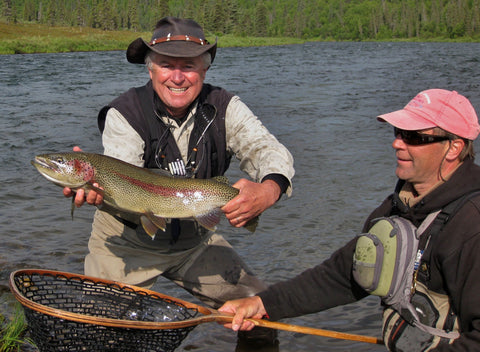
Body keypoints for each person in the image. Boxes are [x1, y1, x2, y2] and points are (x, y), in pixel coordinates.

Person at [63, 16, 294, 346]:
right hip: (127, 243)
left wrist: (269, 189)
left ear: (205, 70)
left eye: (188, 66)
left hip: (195, 241)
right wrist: (101, 190)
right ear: (150, 69)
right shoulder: (124, 113)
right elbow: (124, 174)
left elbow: (267, 149)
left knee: (261, 315)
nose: (177, 77)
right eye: (166, 65)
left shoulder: (226, 107)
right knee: (103, 336)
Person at [219, 89, 480, 351]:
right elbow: (342, 276)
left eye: (413, 137)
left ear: (453, 148)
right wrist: (263, 304)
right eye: (398, 133)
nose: (397, 143)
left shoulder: (470, 226)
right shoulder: (397, 208)